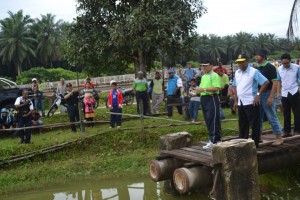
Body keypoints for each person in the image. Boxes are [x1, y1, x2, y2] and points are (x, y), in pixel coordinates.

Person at [233, 53, 269, 148]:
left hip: (251, 101)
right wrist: (236, 101)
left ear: (247, 61)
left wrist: (258, 95)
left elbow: (265, 82)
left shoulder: (254, 71)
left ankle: (255, 145)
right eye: (238, 63)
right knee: (242, 124)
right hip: (241, 102)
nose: (240, 64)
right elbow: (235, 87)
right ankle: (243, 144)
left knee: (254, 125)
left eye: (242, 62)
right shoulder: (237, 73)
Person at [255, 49, 283, 144]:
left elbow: (275, 82)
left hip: (268, 93)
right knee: (258, 117)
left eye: (258, 55)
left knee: (271, 116)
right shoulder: (257, 68)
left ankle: (279, 137)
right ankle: (258, 136)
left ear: (263, 56)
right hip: (259, 94)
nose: (256, 57)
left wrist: (271, 97)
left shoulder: (270, 67)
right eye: (256, 55)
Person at [196, 60, 221, 150]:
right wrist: (198, 91)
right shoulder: (203, 76)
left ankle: (214, 140)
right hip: (204, 98)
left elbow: (216, 88)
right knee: (207, 119)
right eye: (203, 66)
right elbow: (201, 88)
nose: (204, 67)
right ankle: (215, 139)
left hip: (211, 98)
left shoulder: (214, 75)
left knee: (213, 119)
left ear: (211, 66)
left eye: (206, 66)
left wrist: (203, 90)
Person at [277, 53, 300, 136]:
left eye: (286, 63)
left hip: (294, 91)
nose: (285, 65)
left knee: (296, 112)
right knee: (286, 113)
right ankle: (287, 131)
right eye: (283, 63)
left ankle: (297, 129)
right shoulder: (279, 69)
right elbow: (279, 81)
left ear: (290, 61)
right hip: (284, 93)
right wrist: (278, 92)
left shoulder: (297, 68)